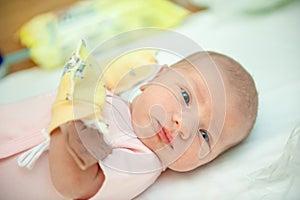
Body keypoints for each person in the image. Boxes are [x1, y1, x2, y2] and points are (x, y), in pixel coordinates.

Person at [0, 49, 258, 199]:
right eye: (186, 96)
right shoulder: (116, 101)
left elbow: (74, 184)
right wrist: (106, 78)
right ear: (156, 78)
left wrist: (70, 112)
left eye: (204, 135)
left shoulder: (142, 162)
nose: (185, 125)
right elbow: (98, 83)